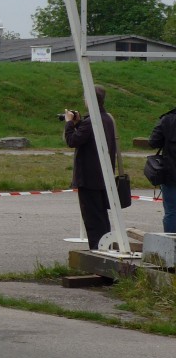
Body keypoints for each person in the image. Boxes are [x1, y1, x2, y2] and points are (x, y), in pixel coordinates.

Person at [64, 85, 116, 250]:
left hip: (88, 177)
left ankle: (97, 250)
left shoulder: (91, 121)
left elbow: (73, 141)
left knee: (92, 218)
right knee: (101, 216)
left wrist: (69, 124)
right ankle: (105, 247)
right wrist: (79, 122)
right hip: (103, 175)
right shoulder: (107, 118)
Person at [148, 107, 176, 233]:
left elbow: (153, 142)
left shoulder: (167, 119)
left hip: (171, 174)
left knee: (171, 212)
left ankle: (171, 247)